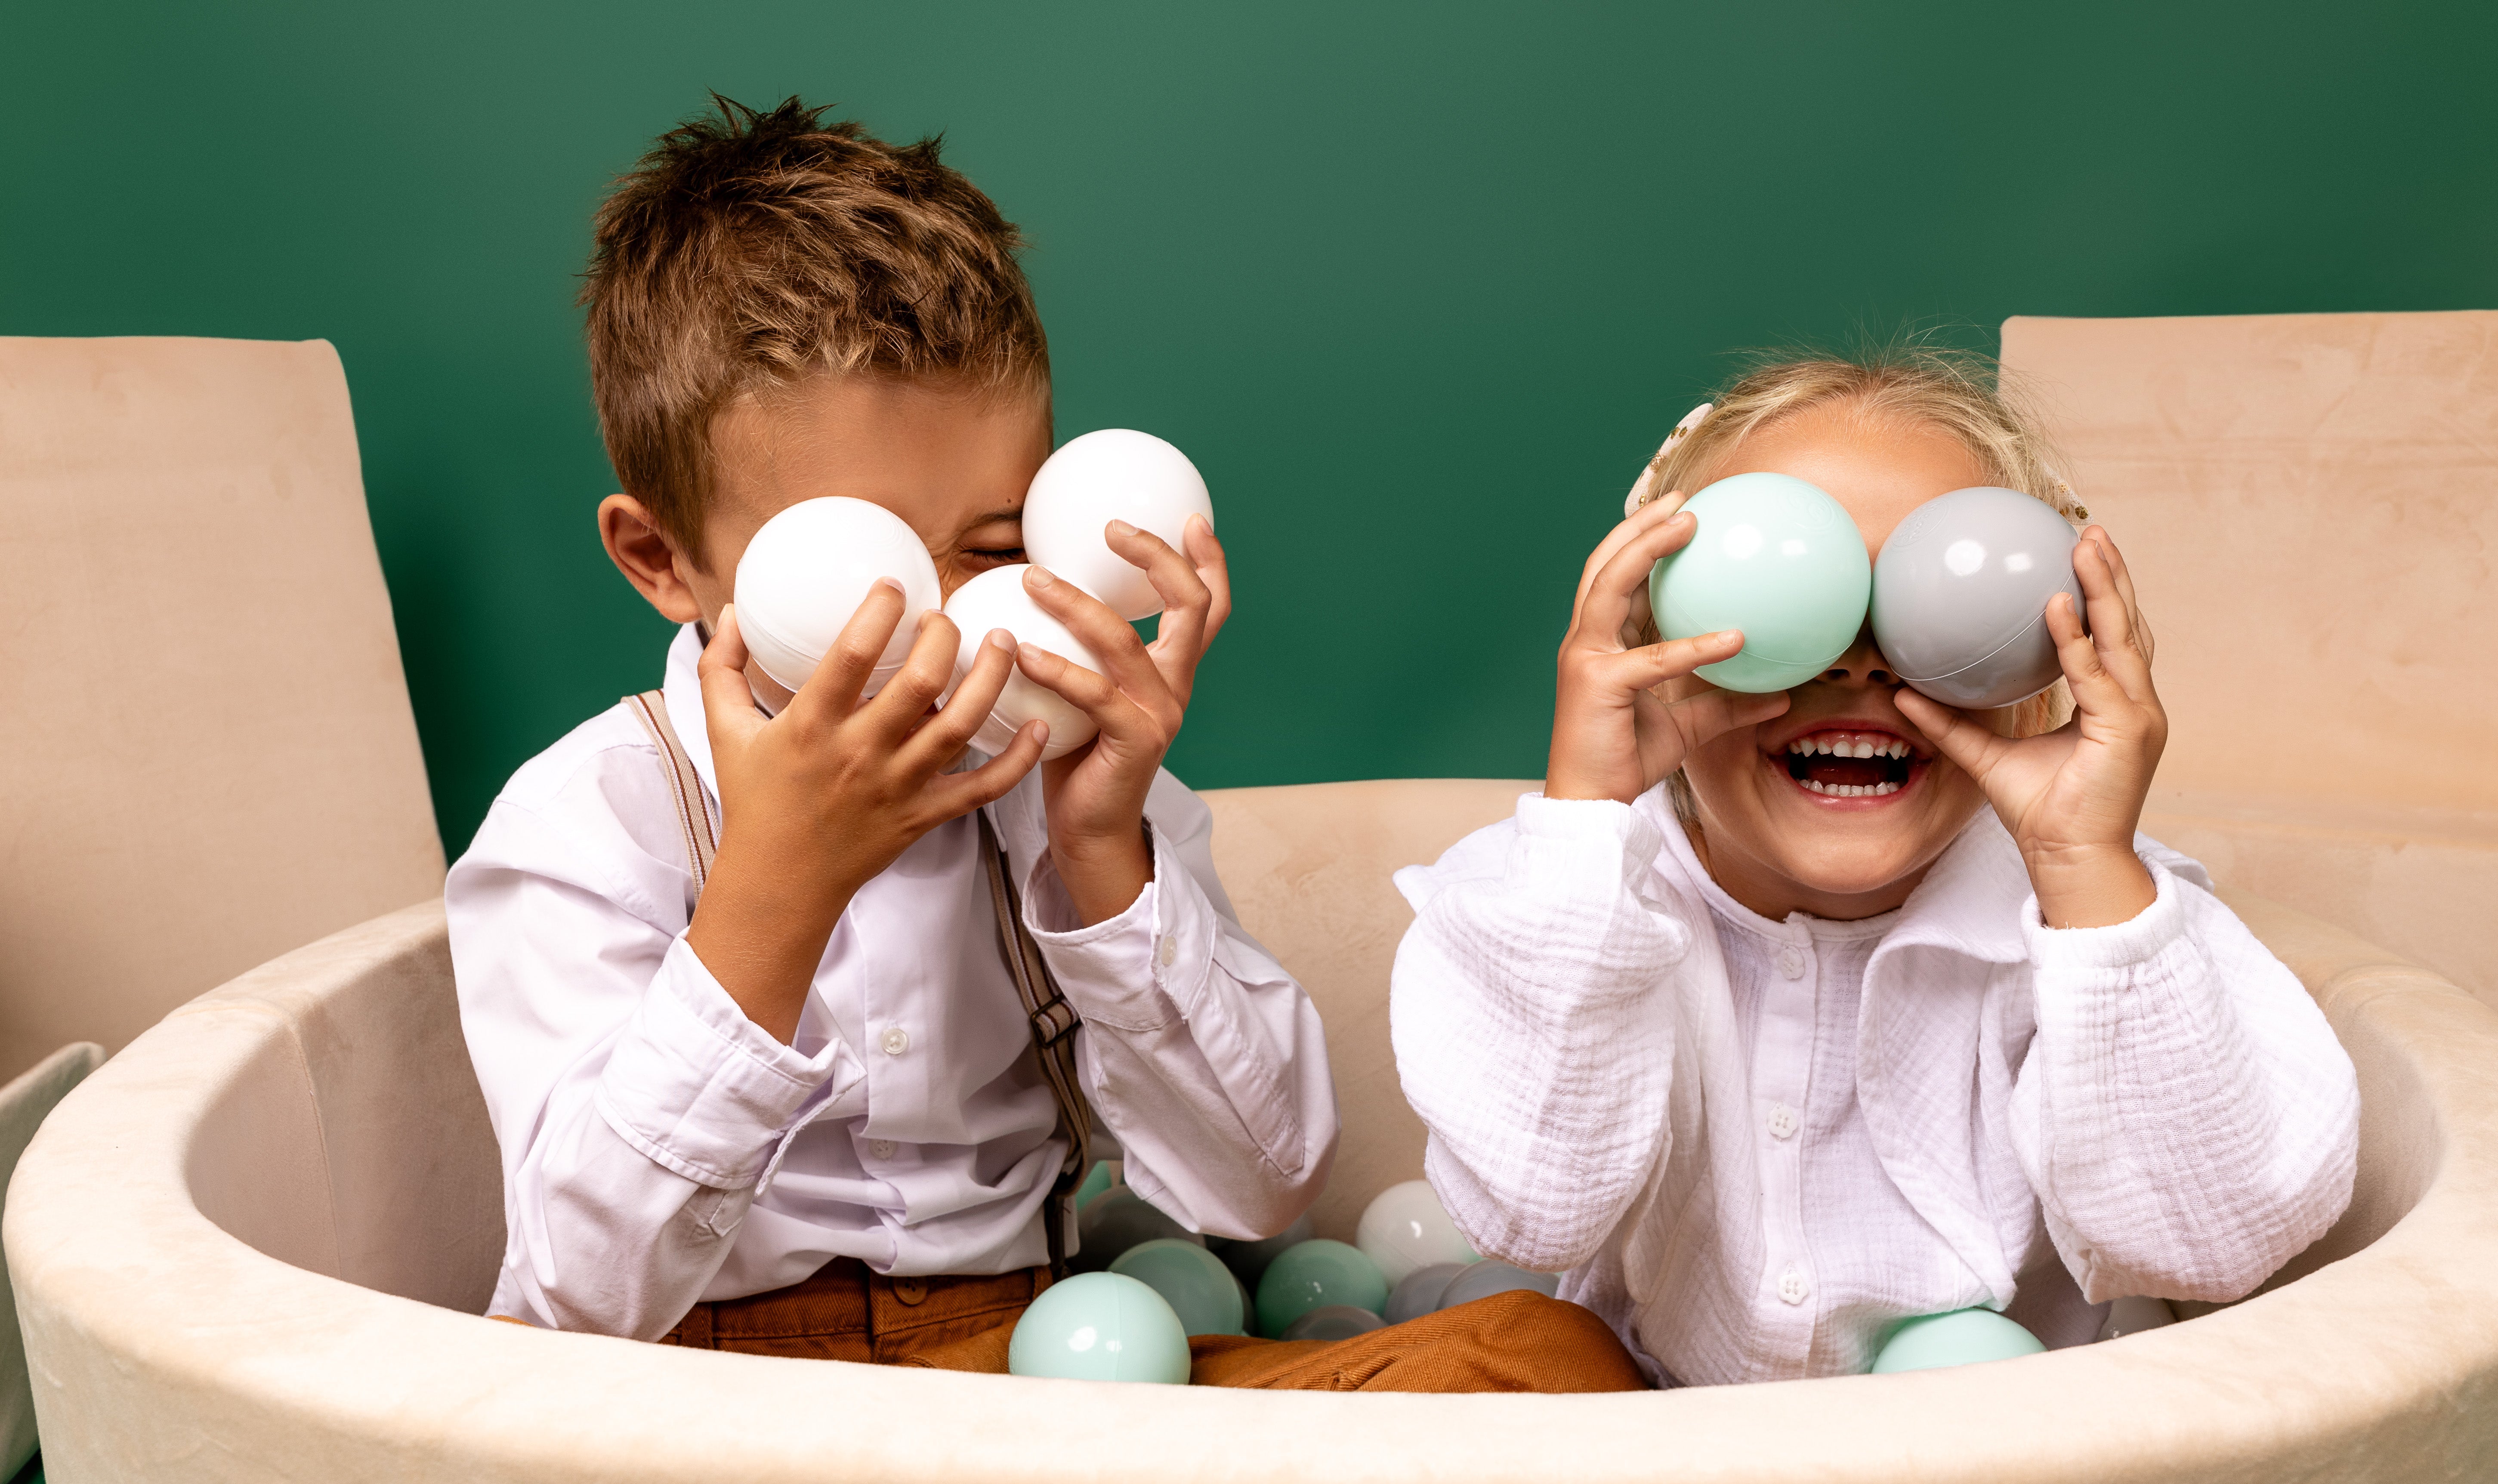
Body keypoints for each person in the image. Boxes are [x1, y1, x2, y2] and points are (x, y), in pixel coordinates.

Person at [447, 95, 1640, 1392]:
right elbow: (577, 1291)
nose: (949, 621)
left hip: (1043, 1374)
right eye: (858, 567)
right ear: (665, 560)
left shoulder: (1062, 791)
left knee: (1542, 1353)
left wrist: (1100, 852)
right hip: (704, 1404)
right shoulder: (592, 819)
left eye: (997, 547)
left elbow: (1260, 1188)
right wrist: (773, 897)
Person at [1389, 347, 2360, 1387]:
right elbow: (1534, 1210)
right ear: (1658, 634)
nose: (1859, 662)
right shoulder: (1554, 890)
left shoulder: (2112, 923)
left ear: (2037, 669)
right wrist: (1588, 814)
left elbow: (2215, 1251)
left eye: (1931, 604)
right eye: (1786, 603)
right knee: (1484, 1361)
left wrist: (2086, 867)